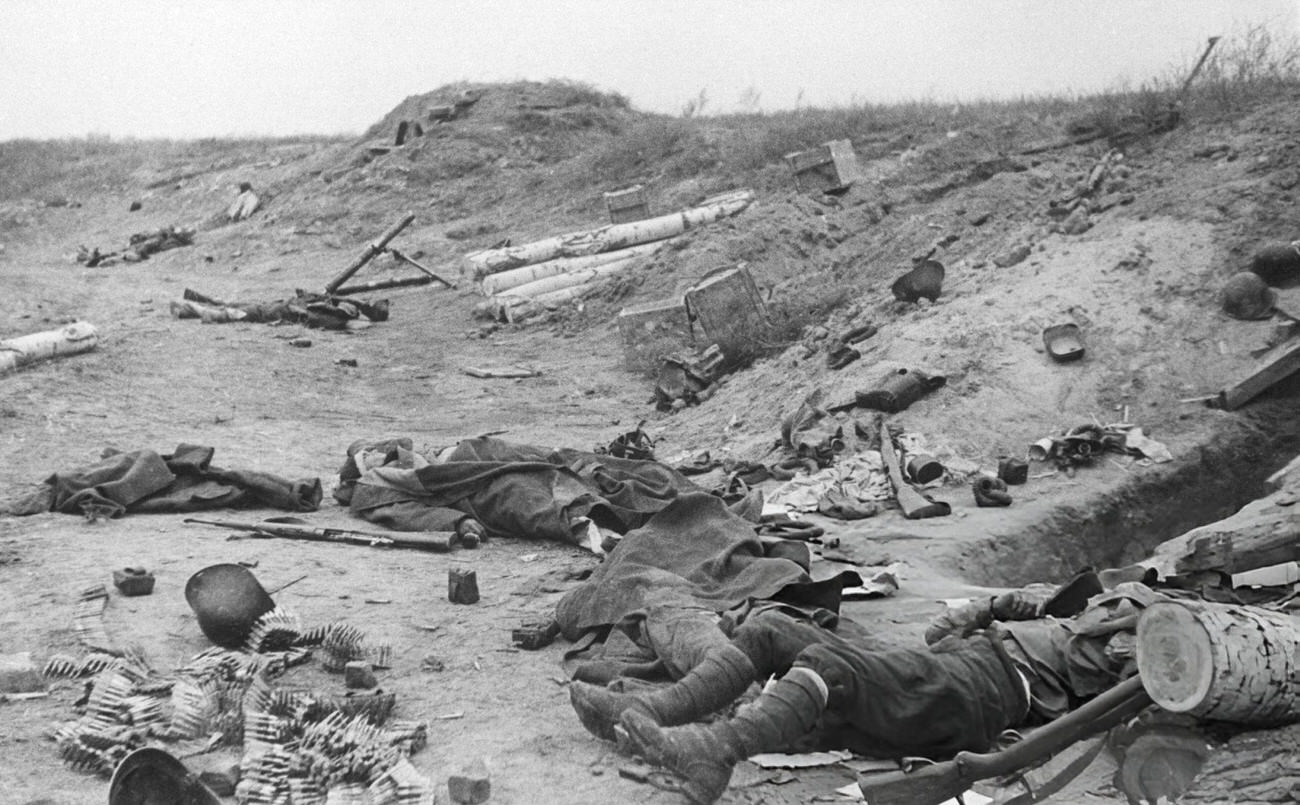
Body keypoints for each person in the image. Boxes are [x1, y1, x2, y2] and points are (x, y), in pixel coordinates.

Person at [569, 576, 1165, 804]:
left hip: (984, 692)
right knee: (769, 627)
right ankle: (649, 708)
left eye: (1123, 605)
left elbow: (1127, 694)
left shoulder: (1155, 639)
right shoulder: (1073, 612)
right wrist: (993, 608)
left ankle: (714, 752)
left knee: (830, 664)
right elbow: (943, 628)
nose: (1112, 607)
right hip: (955, 664)